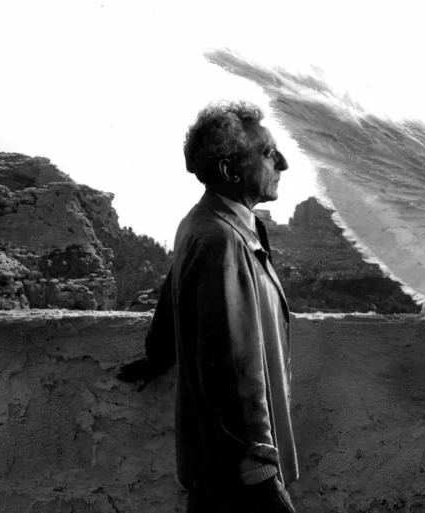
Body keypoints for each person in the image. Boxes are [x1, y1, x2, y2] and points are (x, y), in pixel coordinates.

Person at [117, 100, 298, 512]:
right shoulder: (221, 239)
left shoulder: (209, 224)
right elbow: (234, 364)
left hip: (220, 468)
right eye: (269, 154)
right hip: (236, 474)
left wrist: (158, 352)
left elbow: (173, 292)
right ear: (231, 171)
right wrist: (260, 466)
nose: (283, 163)